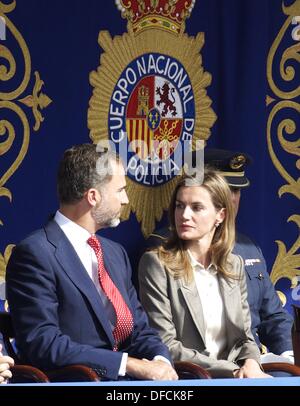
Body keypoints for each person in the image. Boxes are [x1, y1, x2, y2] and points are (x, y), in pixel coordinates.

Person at [6, 144, 177, 381]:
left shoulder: (115, 253)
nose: (126, 200)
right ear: (93, 196)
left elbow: (139, 330)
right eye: (120, 190)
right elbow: (44, 344)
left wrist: (160, 361)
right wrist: (130, 365)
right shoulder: (35, 254)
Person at [146, 148, 294, 363]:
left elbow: (271, 316)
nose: (232, 199)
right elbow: (163, 340)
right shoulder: (161, 251)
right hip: (197, 368)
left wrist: (289, 356)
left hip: (250, 362)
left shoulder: (246, 249)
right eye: (226, 190)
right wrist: (232, 370)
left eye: (236, 191)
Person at [139, 168, 271, 378]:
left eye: (196, 207)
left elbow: (245, 338)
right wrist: (234, 371)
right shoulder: (156, 263)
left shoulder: (234, 264)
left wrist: (252, 363)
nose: (184, 215)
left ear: (221, 215)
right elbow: (165, 345)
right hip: (188, 379)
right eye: (179, 206)